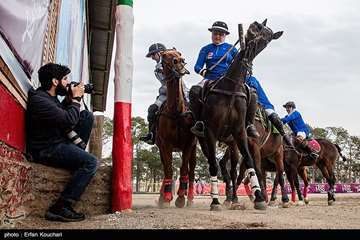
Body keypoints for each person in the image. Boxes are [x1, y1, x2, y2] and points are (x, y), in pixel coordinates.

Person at [26, 63, 98, 222]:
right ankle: (60, 207)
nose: (67, 83)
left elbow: (64, 116)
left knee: (86, 116)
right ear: (54, 81)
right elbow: (68, 121)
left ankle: (77, 154)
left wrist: (70, 100)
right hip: (45, 149)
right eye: (65, 79)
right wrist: (77, 99)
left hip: (56, 141)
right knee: (91, 162)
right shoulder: (39, 100)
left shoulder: (51, 98)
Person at [189, 21, 260, 139]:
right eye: (215, 33)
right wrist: (203, 71)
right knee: (194, 91)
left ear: (225, 35)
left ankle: (249, 125)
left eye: (220, 34)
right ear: (211, 34)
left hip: (228, 80)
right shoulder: (205, 49)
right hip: (210, 79)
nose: (217, 36)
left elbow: (240, 63)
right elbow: (197, 67)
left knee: (252, 95)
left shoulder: (231, 49)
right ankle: (199, 122)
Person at [140, 43, 189, 144]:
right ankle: (151, 134)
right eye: (151, 56)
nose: (152, 57)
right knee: (152, 109)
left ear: (160, 53)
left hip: (180, 91)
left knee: (193, 107)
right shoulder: (157, 68)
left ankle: (199, 129)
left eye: (153, 55)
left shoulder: (171, 61)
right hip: (164, 94)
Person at [245, 75, 293, 146]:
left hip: (263, 104)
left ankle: (284, 135)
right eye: (286, 107)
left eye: (289, 107)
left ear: (292, 107)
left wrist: (281, 120)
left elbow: (288, 119)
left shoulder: (250, 78)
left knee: (273, 117)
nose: (287, 109)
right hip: (246, 103)